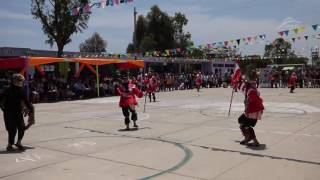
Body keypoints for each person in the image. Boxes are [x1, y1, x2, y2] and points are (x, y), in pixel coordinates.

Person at [0, 74, 35, 151]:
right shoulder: (7, 90)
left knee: (21, 127)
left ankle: (18, 143)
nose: (21, 82)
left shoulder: (21, 90)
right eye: (19, 80)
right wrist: (3, 108)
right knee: (12, 130)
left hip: (18, 112)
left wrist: (31, 111)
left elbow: (26, 101)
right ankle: (10, 145)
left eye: (21, 81)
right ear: (13, 81)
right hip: (8, 112)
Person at [238, 70, 264, 147]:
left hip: (252, 111)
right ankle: (250, 138)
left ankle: (250, 138)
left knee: (243, 123)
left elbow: (254, 101)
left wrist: (247, 104)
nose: (243, 83)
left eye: (245, 82)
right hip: (252, 111)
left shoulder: (251, 90)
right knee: (244, 124)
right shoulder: (250, 88)